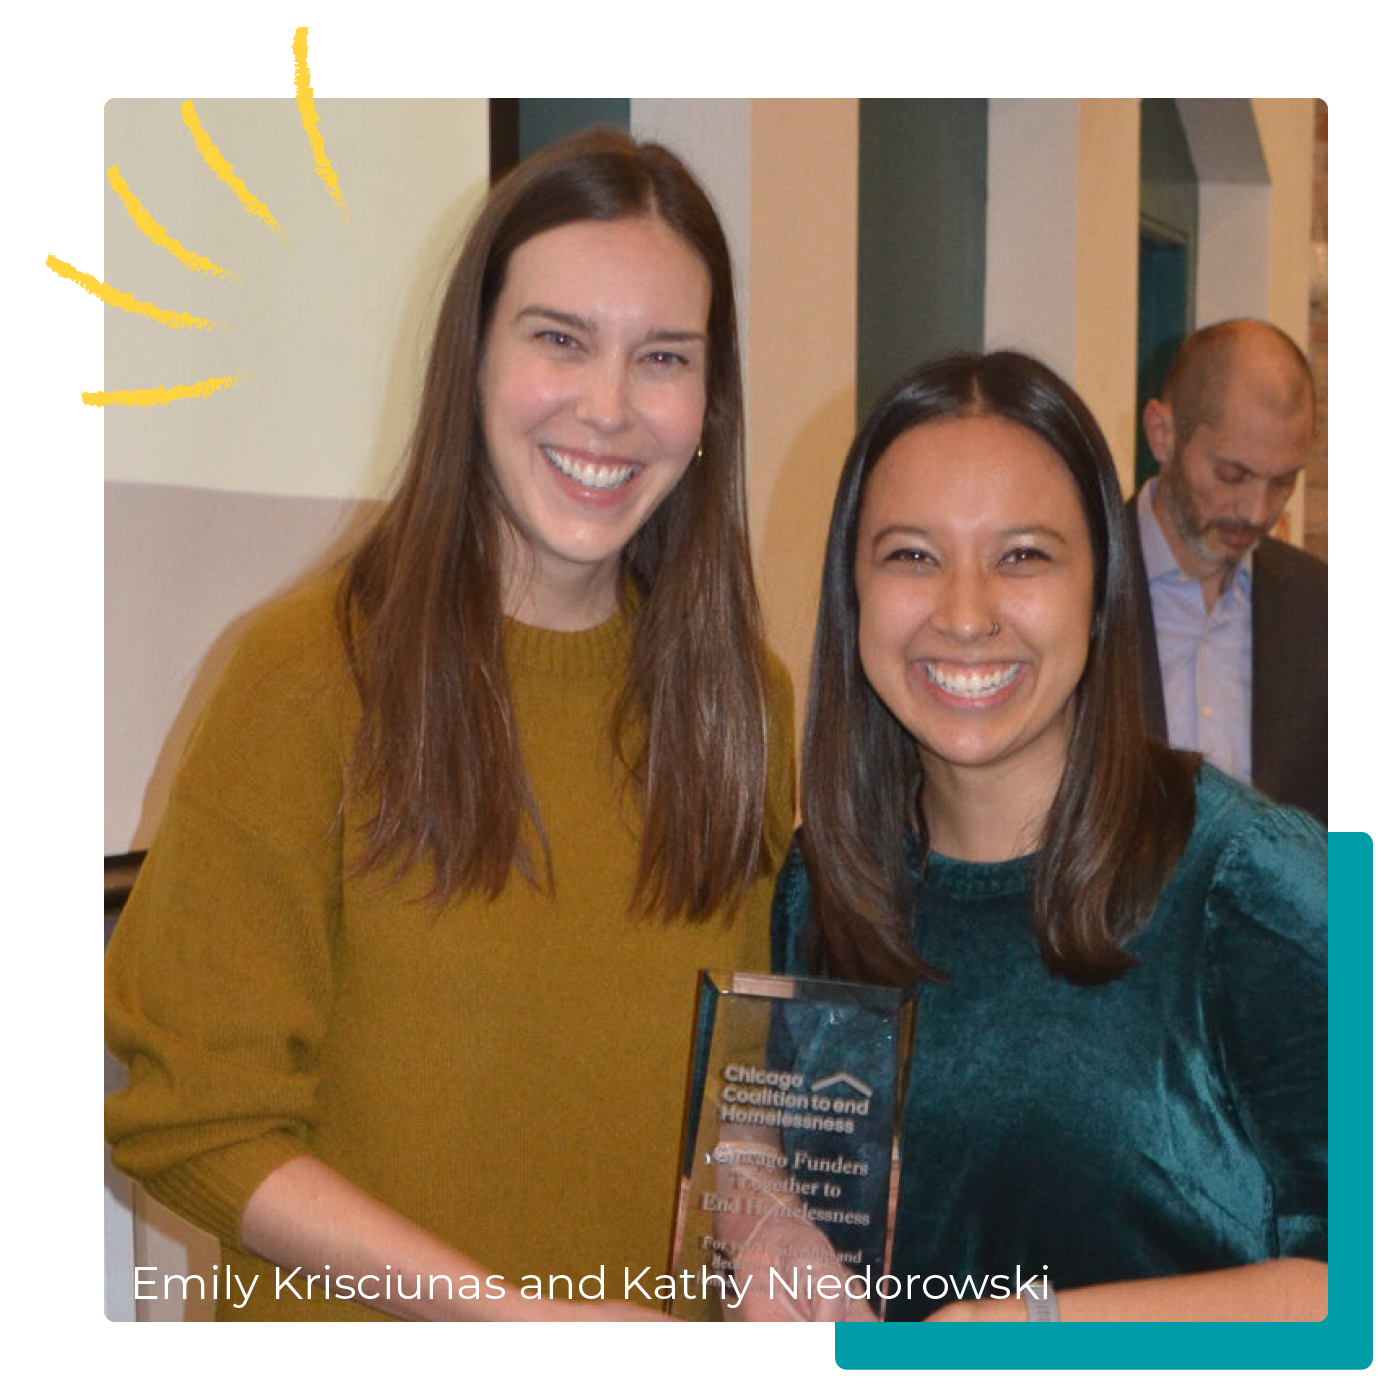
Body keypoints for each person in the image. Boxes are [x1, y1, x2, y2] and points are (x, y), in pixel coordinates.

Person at [106, 129, 794, 1322]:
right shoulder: (306, 673)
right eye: (559, 339)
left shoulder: (741, 702)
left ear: (708, 402)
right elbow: (194, 1122)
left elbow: (729, 1089)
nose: (609, 408)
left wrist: (771, 1217)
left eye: (663, 357)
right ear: (472, 356)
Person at [773, 351, 1326, 1322]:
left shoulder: (1257, 879)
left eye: (1021, 554)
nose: (964, 611)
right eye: (910, 553)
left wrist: (1037, 1328)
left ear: (1099, 584)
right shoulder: (822, 882)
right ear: (850, 588)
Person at [1135, 319, 1331, 827]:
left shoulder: (1322, 609)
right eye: (1232, 475)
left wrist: (1368, 912)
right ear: (1163, 434)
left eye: (1283, 481)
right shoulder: (1076, 585)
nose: (1256, 510)